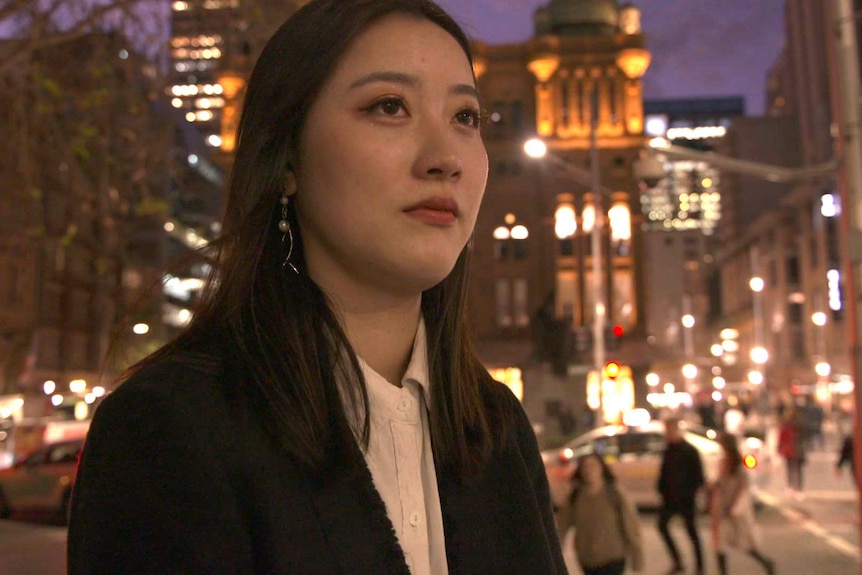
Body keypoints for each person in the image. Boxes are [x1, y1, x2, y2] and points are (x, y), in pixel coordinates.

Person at [66, 2, 567, 573]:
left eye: (465, 117)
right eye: (389, 106)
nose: (444, 158)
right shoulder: (167, 430)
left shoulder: (498, 429)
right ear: (286, 159)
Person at [556, 453, 644, 575]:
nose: (589, 470)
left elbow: (631, 526)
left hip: (613, 558)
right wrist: (555, 553)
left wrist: (637, 557)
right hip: (587, 559)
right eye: (585, 467)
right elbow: (561, 526)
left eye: (593, 466)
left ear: (601, 468)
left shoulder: (615, 493)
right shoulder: (575, 497)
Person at [709, 433, 776, 574]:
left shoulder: (737, 463)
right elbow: (719, 483)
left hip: (733, 507)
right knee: (719, 542)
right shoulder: (724, 461)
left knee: (743, 542)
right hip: (723, 504)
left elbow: (743, 486)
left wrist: (733, 504)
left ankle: (765, 562)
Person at [657, 417, 706, 575]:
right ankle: (677, 561)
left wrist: (689, 492)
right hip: (670, 499)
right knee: (662, 526)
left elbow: (698, 477)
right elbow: (664, 474)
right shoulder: (668, 450)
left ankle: (699, 567)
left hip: (685, 499)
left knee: (692, 532)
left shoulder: (689, 451)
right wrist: (662, 490)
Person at [777, 408, 807, 495]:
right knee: (797, 470)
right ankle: (798, 488)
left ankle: (791, 487)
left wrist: (779, 448)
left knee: (791, 469)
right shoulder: (799, 425)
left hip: (791, 449)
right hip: (796, 449)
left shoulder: (787, 425)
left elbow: (782, 438)